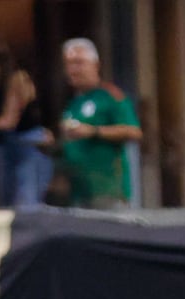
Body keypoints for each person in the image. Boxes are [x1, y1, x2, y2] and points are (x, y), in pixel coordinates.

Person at [57, 38, 142, 210]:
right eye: (68, 64)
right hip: (79, 191)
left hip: (108, 190)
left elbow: (134, 132)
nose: (72, 70)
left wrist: (93, 131)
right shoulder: (73, 104)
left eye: (78, 63)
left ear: (95, 65)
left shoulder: (110, 96)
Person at [0, 41, 50, 209]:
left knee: (26, 200)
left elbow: (9, 121)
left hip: (26, 141)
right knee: (2, 200)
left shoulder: (17, 78)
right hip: (2, 144)